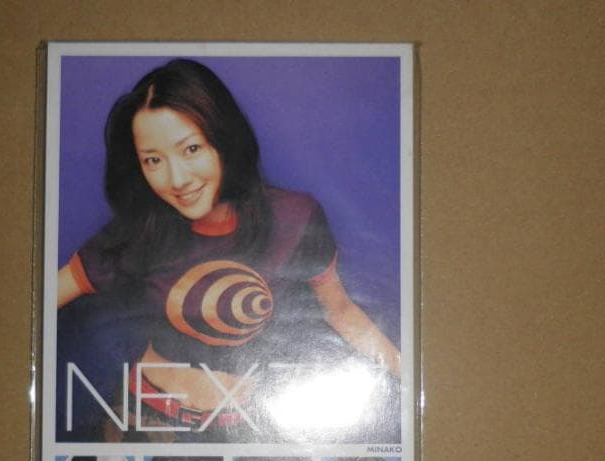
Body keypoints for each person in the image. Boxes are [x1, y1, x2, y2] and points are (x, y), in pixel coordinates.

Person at [55, 59, 401, 441]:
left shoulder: (295, 217)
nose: (177, 179)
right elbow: (44, 299)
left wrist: (413, 380)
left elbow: (341, 311)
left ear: (223, 140)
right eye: (153, 160)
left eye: (191, 149)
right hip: (146, 417)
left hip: (245, 425)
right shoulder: (142, 229)